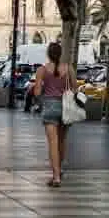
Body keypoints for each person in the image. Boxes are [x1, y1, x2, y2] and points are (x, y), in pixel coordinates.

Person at [29, 42, 73, 187]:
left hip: (49, 107)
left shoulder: (42, 70)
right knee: (62, 141)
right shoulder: (68, 68)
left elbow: (36, 92)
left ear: (48, 54)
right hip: (66, 108)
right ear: (60, 54)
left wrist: (40, 97)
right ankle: (59, 170)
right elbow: (75, 88)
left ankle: (56, 177)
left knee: (52, 143)